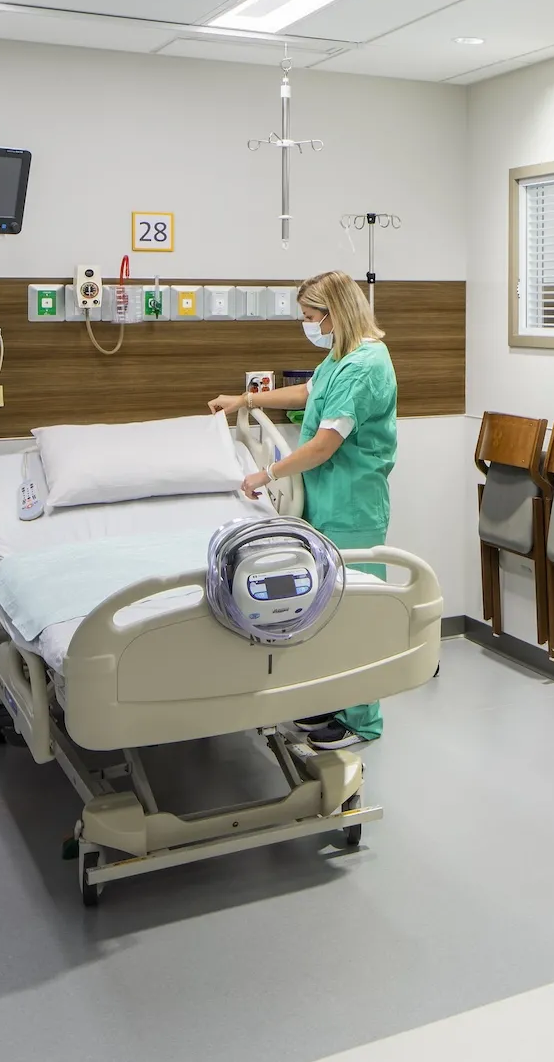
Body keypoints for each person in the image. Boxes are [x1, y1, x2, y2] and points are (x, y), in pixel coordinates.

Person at [208, 270, 398, 751]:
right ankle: (335, 702)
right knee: (326, 607)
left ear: (334, 313)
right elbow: (307, 393)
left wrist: (264, 475)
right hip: (325, 500)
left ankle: (362, 719)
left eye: (311, 316)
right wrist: (245, 399)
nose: (307, 324)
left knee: (354, 611)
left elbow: (322, 446)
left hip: (352, 503)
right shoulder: (340, 357)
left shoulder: (365, 365)